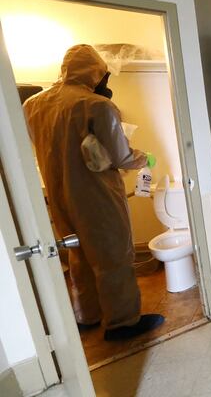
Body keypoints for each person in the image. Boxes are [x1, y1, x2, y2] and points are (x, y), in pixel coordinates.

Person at [24, 44, 164, 341]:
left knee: (77, 256)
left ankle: (87, 315)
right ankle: (123, 322)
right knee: (113, 256)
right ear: (95, 72)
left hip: (57, 193)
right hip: (95, 195)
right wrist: (146, 158)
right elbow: (122, 156)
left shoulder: (33, 105)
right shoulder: (97, 106)